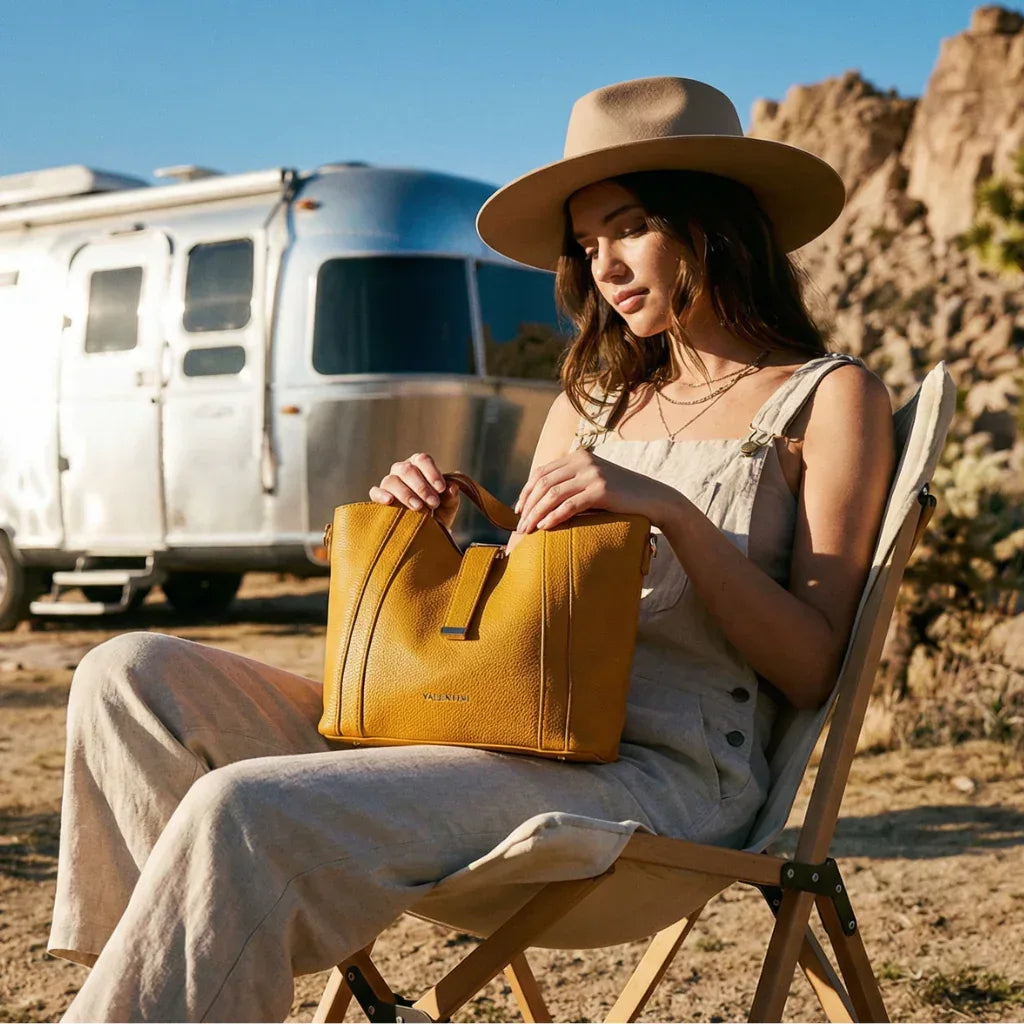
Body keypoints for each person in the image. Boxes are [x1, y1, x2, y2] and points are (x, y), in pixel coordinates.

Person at [49, 77, 894, 1021]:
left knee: (240, 807)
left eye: (628, 228)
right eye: (586, 246)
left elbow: (816, 665)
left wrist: (679, 520)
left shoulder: (826, 398)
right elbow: (528, 586)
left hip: (657, 780)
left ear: (713, 223)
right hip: (497, 719)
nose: (604, 267)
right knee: (128, 673)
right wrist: (441, 534)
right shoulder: (595, 403)